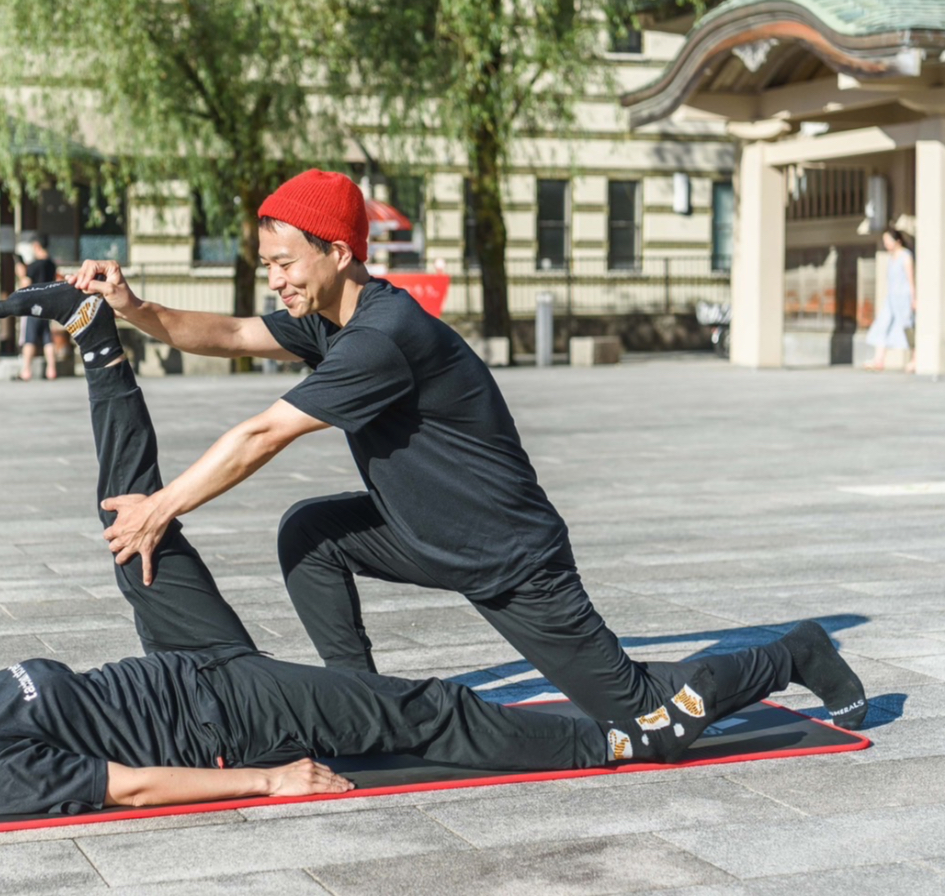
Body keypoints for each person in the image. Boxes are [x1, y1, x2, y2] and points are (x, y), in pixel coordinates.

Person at [0, 294, 759, 822]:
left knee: (131, 525)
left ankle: (97, 343)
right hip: (227, 713)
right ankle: (609, 744)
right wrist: (268, 782)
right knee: (434, 711)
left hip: (178, 659)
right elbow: (131, 786)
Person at [54, 169, 869, 733]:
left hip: (510, 558)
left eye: (284, 262)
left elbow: (264, 432)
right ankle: (365, 702)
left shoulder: (382, 336)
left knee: (644, 718)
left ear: (339, 251)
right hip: (425, 534)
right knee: (312, 535)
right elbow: (232, 333)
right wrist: (134, 306)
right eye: (267, 264)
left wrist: (162, 507)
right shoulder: (330, 319)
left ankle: (795, 651)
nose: (274, 279)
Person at [865, 229, 917, 374]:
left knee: (908, 328)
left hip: (904, 298)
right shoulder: (890, 258)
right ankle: (879, 360)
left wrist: (913, 299)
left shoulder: (906, 256)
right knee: (882, 324)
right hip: (891, 298)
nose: (886, 243)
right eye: (885, 241)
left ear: (897, 241)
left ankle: (915, 359)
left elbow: (910, 279)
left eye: (888, 240)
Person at [15, 231, 60, 381]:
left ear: (36, 245)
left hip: (34, 305)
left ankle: (26, 371)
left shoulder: (34, 265)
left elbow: (26, 284)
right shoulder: (51, 264)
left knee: (30, 338)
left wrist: (21, 274)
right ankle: (51, 370)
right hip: (47, 304)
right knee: (47, 337)